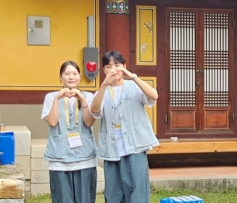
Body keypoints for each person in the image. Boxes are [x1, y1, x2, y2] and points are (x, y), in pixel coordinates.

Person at [90, 51, 159, 202]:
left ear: (124, 66)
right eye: (108, 66)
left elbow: (153, 96)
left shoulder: (133, 87)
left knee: (138, 189)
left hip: (135, 145)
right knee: (113, 192)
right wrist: (103, 85)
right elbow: (94, 110)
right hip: (112, 149)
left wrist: (133, 77)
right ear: (104, 70)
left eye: (117, 65)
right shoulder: (102, 91)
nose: (113, 70)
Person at [42, 61, 97, 203]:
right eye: (67, 74)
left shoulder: (89, 96)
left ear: (80, 76)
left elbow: (89, 122)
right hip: (59, 157)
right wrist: (57, 99)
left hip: (85, 158)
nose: (71, 77)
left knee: (85, 199)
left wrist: (83, 100)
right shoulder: (51, 97)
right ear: (60, 77)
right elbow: (53, 122)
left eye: (74, 74)